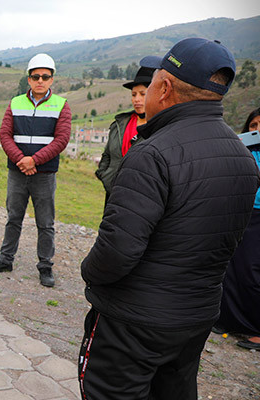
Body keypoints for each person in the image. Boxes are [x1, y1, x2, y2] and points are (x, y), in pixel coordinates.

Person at [77, 39, 260, 399]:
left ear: (163, 86)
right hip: (195, 317)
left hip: (134, 322)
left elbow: (117, 251)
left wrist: (89, 272)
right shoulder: (241, 154)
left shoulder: (153, 153)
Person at [0, 53, 71, 288]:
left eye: (45, 76)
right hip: (17, 171)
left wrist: (35, 160)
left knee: (45, 222)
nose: (40, 80)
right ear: (28, 79)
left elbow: (61, 139)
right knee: (13, 218)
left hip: (44, 174)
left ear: (52, 79)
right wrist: (21, 159)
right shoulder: (15, 103)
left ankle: (45, 266)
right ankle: (5, 259)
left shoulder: (61, 105)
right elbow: (5, 135)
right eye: (35, 76)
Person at [213, 107, 260, 350]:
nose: (258, 129)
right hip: (240, 208)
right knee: (230, 267)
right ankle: (227, 319)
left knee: (252, 271)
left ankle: (257, 329)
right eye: (254, 125)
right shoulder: (243, 148)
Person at [95, 66, 154, 203]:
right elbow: (107, 155)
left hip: (142, 200)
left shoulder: (159, 128)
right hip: (113, 195)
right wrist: (105, 176)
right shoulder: (119, 124)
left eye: (142, 94)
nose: (136, 99)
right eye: (134, 95)